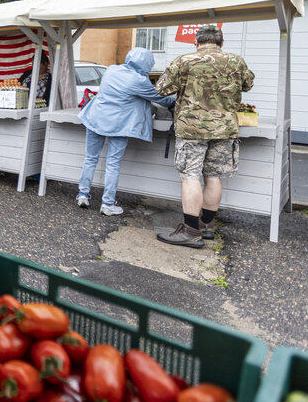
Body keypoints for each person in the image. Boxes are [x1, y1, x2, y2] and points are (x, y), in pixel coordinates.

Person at [154, 25, 254, 248]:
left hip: (192, 129)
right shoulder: (236, 61)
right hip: (225, 128)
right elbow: (248, 84)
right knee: (213, 175)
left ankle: (191, 231)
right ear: (221, 43)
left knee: (190, 175)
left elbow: (161, 88)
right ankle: (206, 226)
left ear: (196, 42)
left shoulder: (185, 60)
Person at [75, 48, 176, 216]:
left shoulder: (112, 69)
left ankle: (83, 195)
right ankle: (107, 204)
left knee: (91, 158)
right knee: (112, 164)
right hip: (118, 125)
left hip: (95, 117)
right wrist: (176, 102)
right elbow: (160, 99)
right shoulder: (139, 81)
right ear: (146, 64)